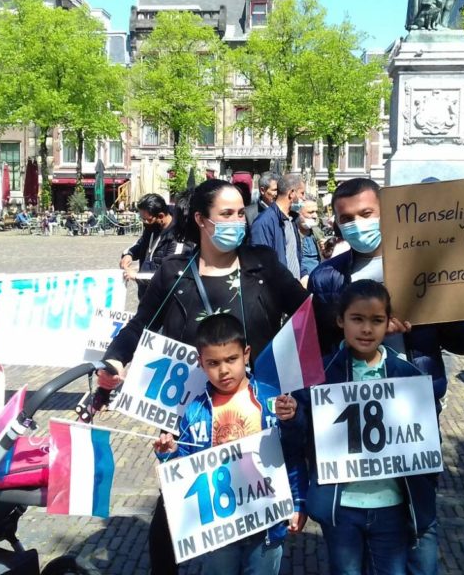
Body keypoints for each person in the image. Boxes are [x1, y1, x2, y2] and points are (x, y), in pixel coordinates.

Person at [97, 178, 309, 575]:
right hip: (192, 418)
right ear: (200, 219)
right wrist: (115, 359)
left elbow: (309, 315)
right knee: (172, 519)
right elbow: (142, 325)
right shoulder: (175, 272)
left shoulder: (262, 264)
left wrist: (365, 322)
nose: (238, 221)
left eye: (241, 213)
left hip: (252, 415)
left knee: (256, 527)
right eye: (226, 214)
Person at [307, 178, 464, 574]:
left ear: (387, 213)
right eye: (346, 218)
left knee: (418, 522)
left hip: (414, 413)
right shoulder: (326, 277)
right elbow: (319, 346)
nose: (356, 224)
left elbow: (454, 333)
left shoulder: (425, 271)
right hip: (351, 420)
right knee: (352, 523)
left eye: (366, 214)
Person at [284, 280, 427, 575]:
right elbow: (299, 434)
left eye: (376, 320)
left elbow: (423, 441)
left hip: (392, 504)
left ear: (389, 323)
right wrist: (293, 415)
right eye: (357, 319)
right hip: (342, 507)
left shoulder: (407, 375)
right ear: (340, 321)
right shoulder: (319, 374)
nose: (366, 329)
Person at [153, 313, 305, 575]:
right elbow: (188, 464)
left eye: (231, 359)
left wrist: (299, 502)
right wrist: (170, 454)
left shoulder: (272, 401)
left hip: (265, 524)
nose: (223, 370)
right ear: (200, 363)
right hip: (219, 530)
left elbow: (292, 454)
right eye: (213, 363)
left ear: (246, 354)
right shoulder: (195, 411)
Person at [119, 193, 188, 298]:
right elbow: (141, 242)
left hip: (164, 300)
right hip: (146, 295)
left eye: (148, 219)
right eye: (142, 218)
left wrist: (137, 276)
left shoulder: (178, 238)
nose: (145, 222)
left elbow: (169, 274)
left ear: (161, 216)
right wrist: (129, 254)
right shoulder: (152, 226)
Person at [251, 172, 305, 278]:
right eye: (302, 193)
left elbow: (295, 255)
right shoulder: (263, 222)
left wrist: (304, 275)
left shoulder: (292, 219)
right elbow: (262, 264)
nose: (304, 198)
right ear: (292, 193)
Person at [296, 198, 326, 278]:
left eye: (316, 212)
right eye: (310, 212)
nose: (315, 216)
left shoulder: (317, 232)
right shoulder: (291, 235)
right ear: (298, 213)